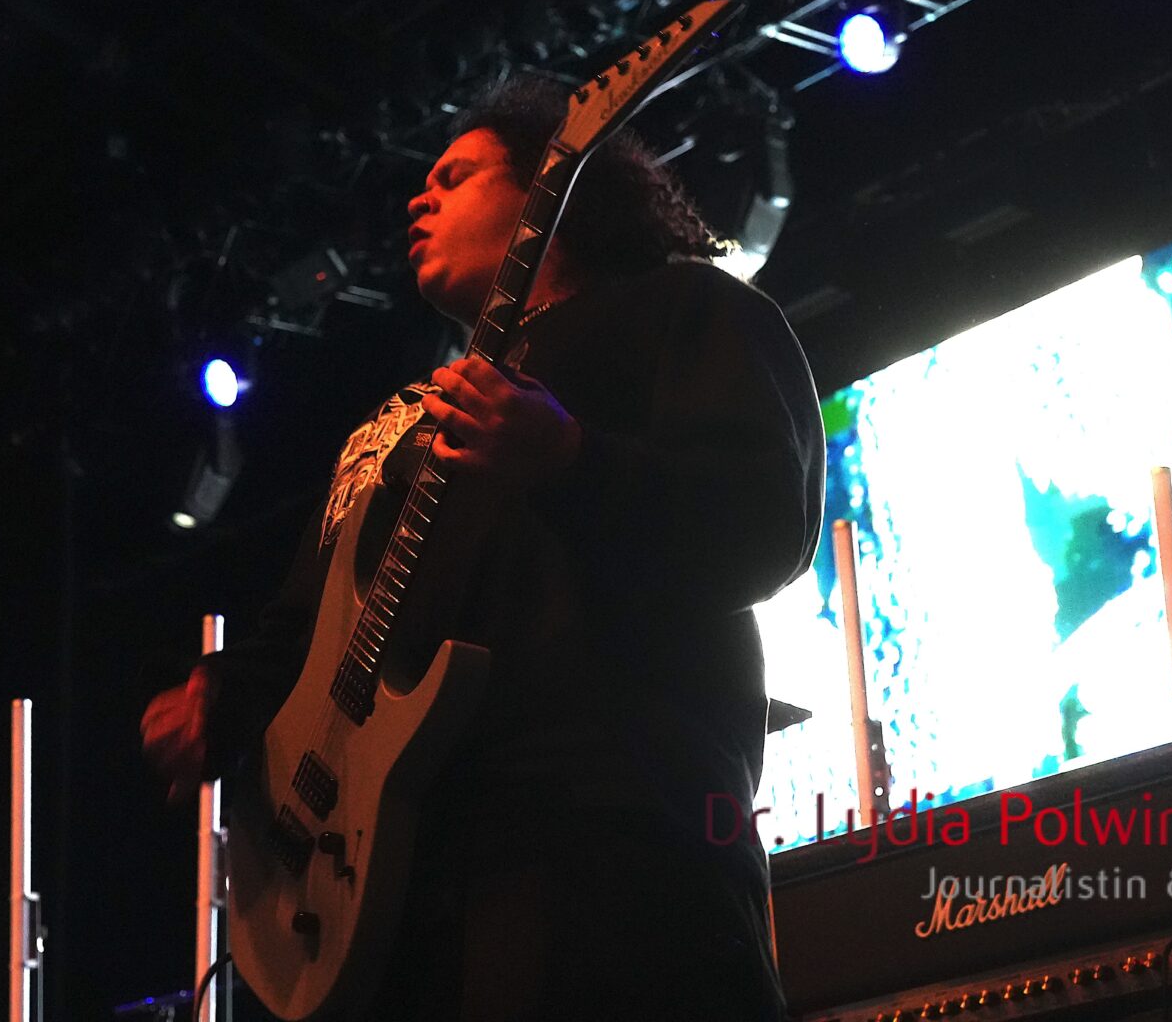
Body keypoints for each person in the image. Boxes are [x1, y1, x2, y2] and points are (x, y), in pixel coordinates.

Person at [141, 74, 826, 1020]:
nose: (418, 197)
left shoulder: (685, 309)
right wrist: (220, 699)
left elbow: (766, 524)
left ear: (550, 186)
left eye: (456, 176)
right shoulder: (398, 425)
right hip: (393, 908)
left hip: (607, 868)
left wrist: (570, 459)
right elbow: (305, 633)